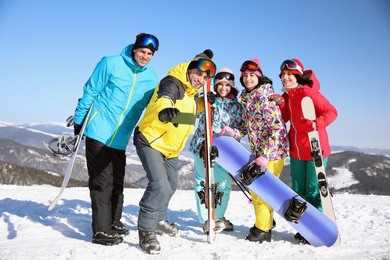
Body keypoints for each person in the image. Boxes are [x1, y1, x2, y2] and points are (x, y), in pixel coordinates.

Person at [73, 33, 160, 246]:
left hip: (121, 137)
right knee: (102, 181)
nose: (145, 56)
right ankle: (100, 230)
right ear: (134, 49)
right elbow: (91, 90)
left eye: (149, 54)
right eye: (142, 52)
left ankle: (113, 220)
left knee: (117, 182)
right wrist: (79, 119)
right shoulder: (110, 63)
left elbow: (158, 104)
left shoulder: (152, 78)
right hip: (98, 129)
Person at [133, 50, 216, 254]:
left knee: (171, 186)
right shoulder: (173, 83)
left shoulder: (190, 94)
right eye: (198, 74)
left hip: (171, 148)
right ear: (189, 70)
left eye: (205, 78)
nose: (201, 80)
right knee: (159, 185)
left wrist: (202, 105)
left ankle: (159, 220)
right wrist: (164, 111)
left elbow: (184, 117)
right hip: (151, 141)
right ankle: (146, 230)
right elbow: (166, 99)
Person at [220, 58, 289, 243]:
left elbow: (277, 129)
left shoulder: (267, 98)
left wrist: (266, 155)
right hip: (259, 154)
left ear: (259, 77)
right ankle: (265, 221)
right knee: (257, 191)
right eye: (245, 76)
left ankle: (263, 231)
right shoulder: (248, 98)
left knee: (262, 192)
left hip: (272, 154)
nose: (248, 79)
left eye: (252, 75)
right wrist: (233, 132)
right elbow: (247, 126)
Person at [271, 59, 337, 243]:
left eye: (289, 74)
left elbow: (332, 111)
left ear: (297, 76)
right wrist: (281, 103)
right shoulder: (288, 95)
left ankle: (314, 228)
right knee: (298, 190)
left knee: (313, 191)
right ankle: (304, 226)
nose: (285, 77)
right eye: (282, 75)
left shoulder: (309, 93)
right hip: (296, 151)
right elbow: (284, 119)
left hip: (315, 149)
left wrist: (317, 123)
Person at [189, 67, 242, 234]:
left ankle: (217, 217)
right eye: (220, 84)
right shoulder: (207, 99)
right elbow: (191, 115)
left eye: (227, 84)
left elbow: (243, 129)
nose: (223, 88)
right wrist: (202, 100)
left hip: (225, 151)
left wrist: (235, 133)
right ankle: (206, 220)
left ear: (232, 86)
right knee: (203, 182)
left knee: (224, 185)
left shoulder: (238, 106)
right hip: (203, 146)